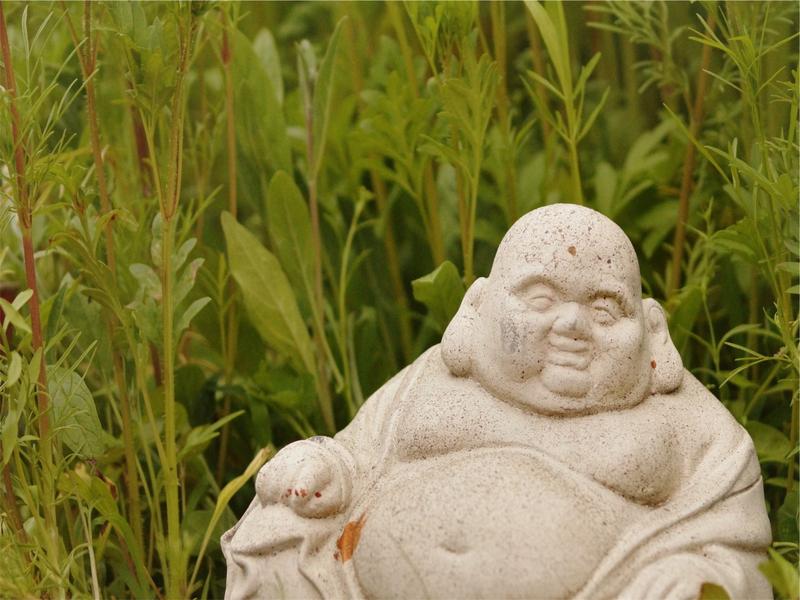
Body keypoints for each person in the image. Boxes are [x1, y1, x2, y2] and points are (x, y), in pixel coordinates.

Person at [222, 204, 771, 599]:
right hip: (346, 582)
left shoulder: (683, 420)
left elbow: (733, 538)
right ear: (478, 307)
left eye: (604, 309)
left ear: (653, 332)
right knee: (277, 531)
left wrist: (695, 577)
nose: (572, 324)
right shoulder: (430, 380)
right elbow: (356, 455)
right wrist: (322, 466)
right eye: (540, 298)